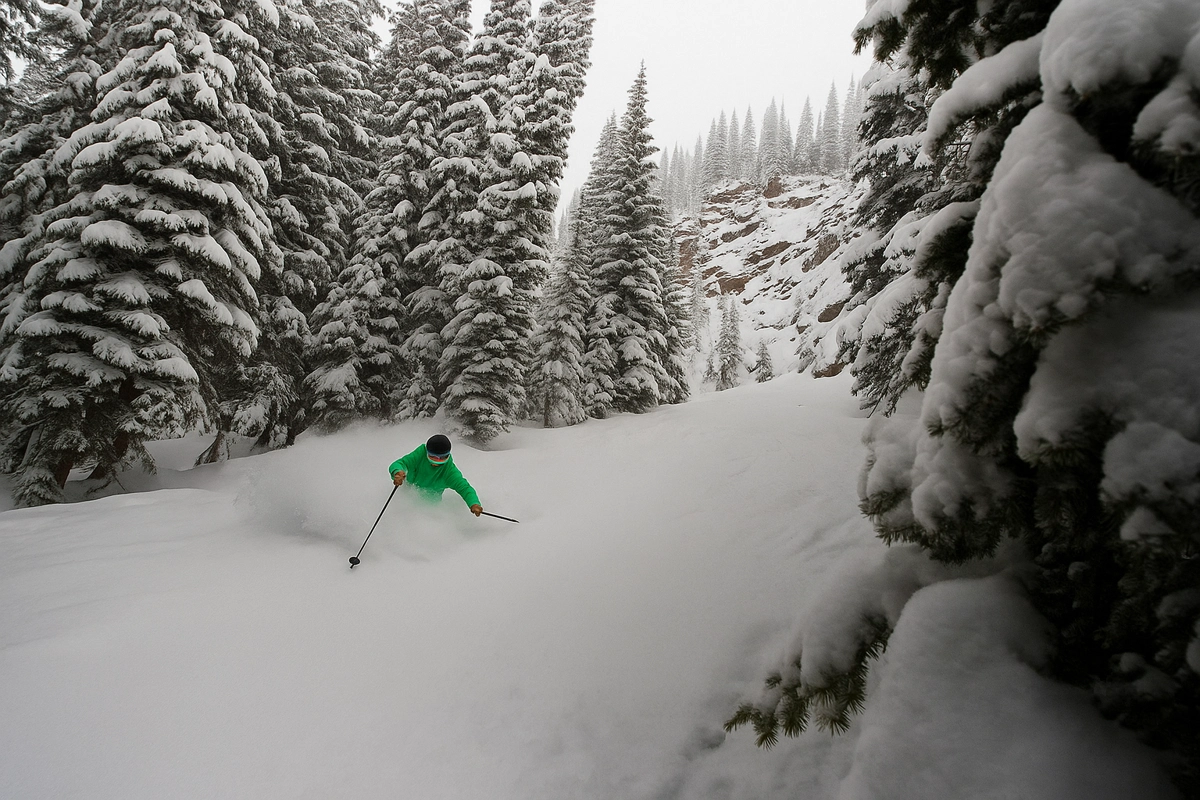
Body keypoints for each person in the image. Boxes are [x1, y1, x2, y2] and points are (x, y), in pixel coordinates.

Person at [389, 434, 483, 516]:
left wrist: (474, 503)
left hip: (429, 507)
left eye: (442, 458)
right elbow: (401, 463)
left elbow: (464, 488)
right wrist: (397, 472)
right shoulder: (420, 455)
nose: (436, 461)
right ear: (427, 452)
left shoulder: (449, 471)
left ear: (448, 455)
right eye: (432, 456)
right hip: (405, 495)